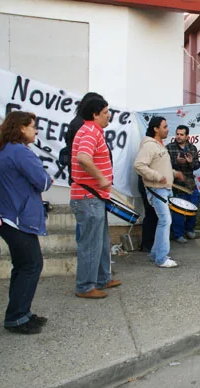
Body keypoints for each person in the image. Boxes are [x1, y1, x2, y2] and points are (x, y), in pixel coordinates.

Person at [0, 111, 53, 334]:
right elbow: (43, 182)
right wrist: (48, 179)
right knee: (32, 265)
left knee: (23, 265)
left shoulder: (5, 150)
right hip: (16, 219)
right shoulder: (20, 152)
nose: (35, 131)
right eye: (32, 126)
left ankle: (21, 312)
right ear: (21, 128)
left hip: (8, 218)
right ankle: (16, 317)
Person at [70, 95, 121, 299]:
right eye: (105, 113)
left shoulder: (93, 131)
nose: (108, 116)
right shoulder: (90, 131)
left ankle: (102, 278)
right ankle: (85, 286)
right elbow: (83, 158)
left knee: (101, 240)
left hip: (95, 197)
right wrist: (101, 177)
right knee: (91, 243)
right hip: (88, 197)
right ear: (94, 114)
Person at [134, 116, 185, 268]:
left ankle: (156, 253)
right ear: (156, 128)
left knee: (163, 221)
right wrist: (157, 177)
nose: (167, 129)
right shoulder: (149, 145)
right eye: (164, 126)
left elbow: (160, 166)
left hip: (164, 190)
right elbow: (139, 165)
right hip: (156, 190)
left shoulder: (159, 145)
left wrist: (174, 173)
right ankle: (161, 258)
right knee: (165, 221)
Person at [166, 125, 200, 243]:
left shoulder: (192, 148)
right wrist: (177, 162)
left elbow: (197, 165)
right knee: (178, 212)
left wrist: (190, 162)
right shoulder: (169, 148)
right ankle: (178, 234)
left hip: (190, 184)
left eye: (181, 134)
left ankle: (189, 229)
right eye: (177, 134)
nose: (179, 136)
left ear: (187, 136)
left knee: (194, 207)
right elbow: (165, 166)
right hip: (176, 185)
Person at [137, 175, 157, 252]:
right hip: (148, 185)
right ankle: (147, 244)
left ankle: (151, 244)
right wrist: (158, 176)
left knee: (155, 216)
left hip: (155, 185)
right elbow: (140, 167)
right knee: (151, 215)